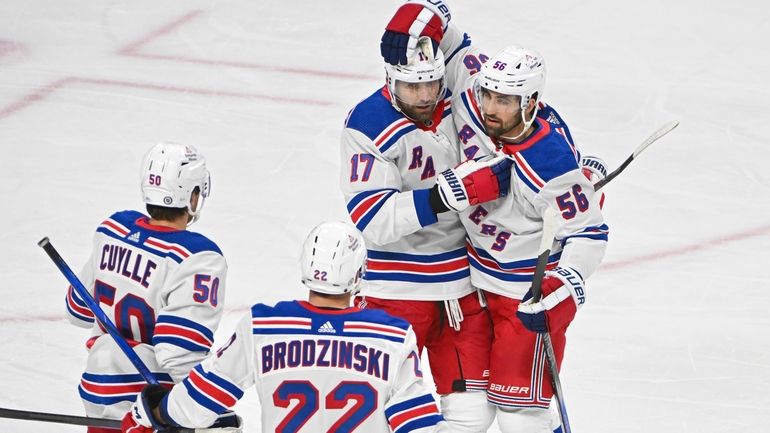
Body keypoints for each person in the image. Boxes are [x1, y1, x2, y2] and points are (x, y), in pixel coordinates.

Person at [381, 4, 609, 432]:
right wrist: (410, 24)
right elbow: (443, 32)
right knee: (474, 411)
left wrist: (561, 289)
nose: (490, 107)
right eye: (489, 94)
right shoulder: (472, 92)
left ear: (531, 102)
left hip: (522, 296)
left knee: (521, 417)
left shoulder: (550, 161)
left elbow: (590, 232)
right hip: (472, 285)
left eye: (504, 100)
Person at [339, 1, 516, 430]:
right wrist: (443, 196)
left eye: (430, 84)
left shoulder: (459, 90)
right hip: (394, 288)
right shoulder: (367, 123)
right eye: (410, 87)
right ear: (390, 78)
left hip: (462, 283)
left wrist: (563, 177)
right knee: (371, 404)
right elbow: (372, 216)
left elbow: (517, 109)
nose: (422, 96)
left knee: (474, 412)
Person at [120, 221, 454, 433]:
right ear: (358, 275)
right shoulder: (392, 336)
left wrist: (156, 412)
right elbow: (417, 424)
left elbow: (200, 401)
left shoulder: (264, 325)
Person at [64, 142, 234, 433]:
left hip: (96, 386)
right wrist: (204, 409)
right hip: (150, 403)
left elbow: (77, 310)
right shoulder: (196, 257)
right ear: (193, 195)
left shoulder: (113, 230)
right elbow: (179, 352)